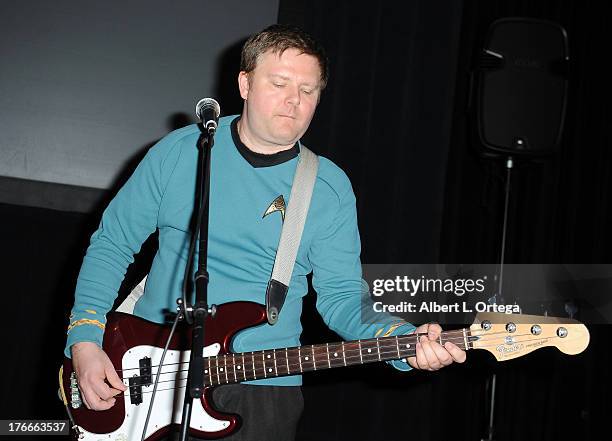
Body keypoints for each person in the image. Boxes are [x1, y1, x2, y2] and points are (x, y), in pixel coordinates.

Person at [65, 24, 466, 440]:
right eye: (280, 83)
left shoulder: (327, 188)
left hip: (263, 389)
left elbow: (344, 298)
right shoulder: (181, 151)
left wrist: (403, 339)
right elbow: (113, 244)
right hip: (147, 367)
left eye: (308, 91)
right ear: (245, 83)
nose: (294, 101)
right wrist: (85, 341)